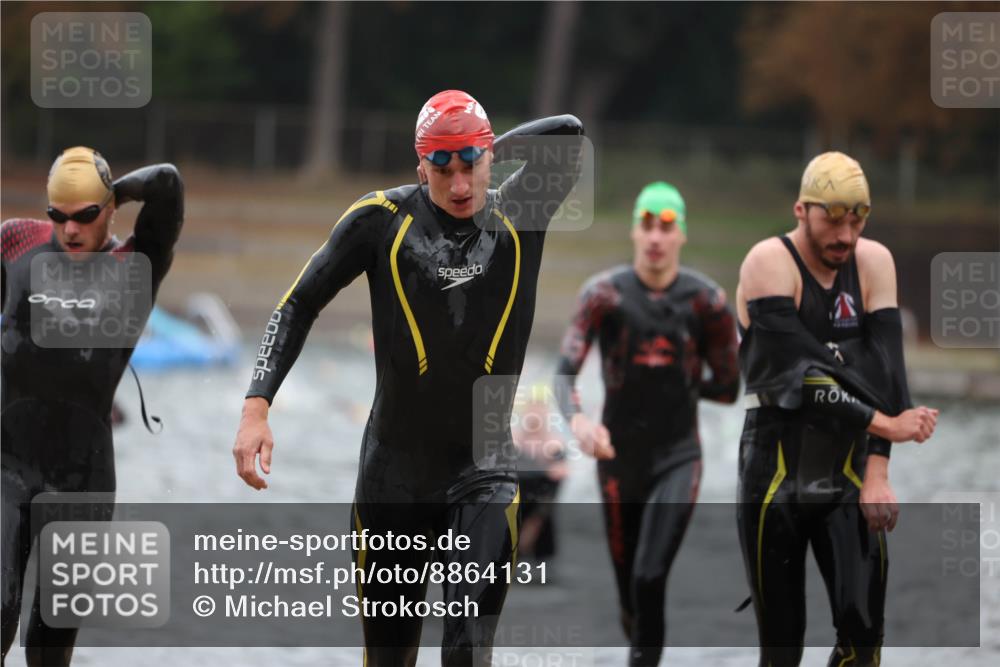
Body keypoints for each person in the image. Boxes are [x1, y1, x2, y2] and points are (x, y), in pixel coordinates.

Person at [232, 90, 584, 666]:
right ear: (420, 166)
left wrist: (482, 139)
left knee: (467, 652)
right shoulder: (379, 222)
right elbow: (298, 303)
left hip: (484, 471)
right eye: (443, 168)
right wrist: (256, 407)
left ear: (491, 158)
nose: (461, 184)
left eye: (472, 163)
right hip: (392, 482)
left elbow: (568, 135)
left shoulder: (524, 210)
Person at [734, 151, 939, 667]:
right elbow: (798, 380)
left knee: (864, 642)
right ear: (802, 210)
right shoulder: (769, 262)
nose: (845, 235)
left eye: (857, 219)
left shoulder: (874, 262)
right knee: (782, 651)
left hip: (848, 475)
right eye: (832, 219)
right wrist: (884, 421)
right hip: (774, 478)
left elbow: (890, 373)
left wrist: (877, 471)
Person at [1, 147, 184, 666]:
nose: (71, 229)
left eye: (85, 216)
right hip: (6, 467)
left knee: (49, 647)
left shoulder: (136, 266)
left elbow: (168, 184)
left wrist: (113, 191)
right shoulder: (16, 243)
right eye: (58, 215)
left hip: (82, 481)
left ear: (109, 212)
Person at [552, 182, 740, 666]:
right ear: (635, 231)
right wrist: (578, 423)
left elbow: (728, 387)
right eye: (648, 226)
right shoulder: (603, 295)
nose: (656, 237)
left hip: (678, 458)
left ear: (681, 235)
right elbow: (563, 373)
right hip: (617, 464)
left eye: (667, 227)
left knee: (650, 575)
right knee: (630, 595)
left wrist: (678, 380)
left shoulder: (708, 304)